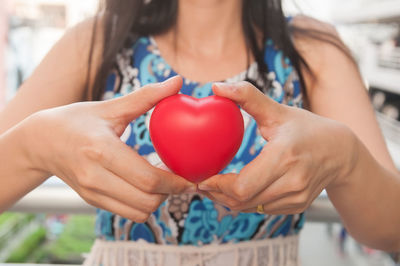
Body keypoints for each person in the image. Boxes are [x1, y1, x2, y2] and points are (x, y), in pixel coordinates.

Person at [0, 0, 399, 265]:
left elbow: (392, 231)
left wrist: (348, 160)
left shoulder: (315, 49)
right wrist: (35, 146)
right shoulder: (95, 42)